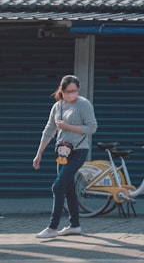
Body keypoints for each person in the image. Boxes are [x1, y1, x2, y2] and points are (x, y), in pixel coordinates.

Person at [32, 74, 99, 238]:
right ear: (61, 91)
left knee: (57, 186)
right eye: (67, 91)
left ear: (78, 90)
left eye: (74, 91)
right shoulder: (57, 106)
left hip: (79, 150)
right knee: (68, 189)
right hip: (62, 152)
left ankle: (52, 227)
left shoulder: (83, 104)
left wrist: (68, 126)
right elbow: (49, 130)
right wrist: (38, 154)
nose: (71, 95)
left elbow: (92, 128)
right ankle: (74, 225)